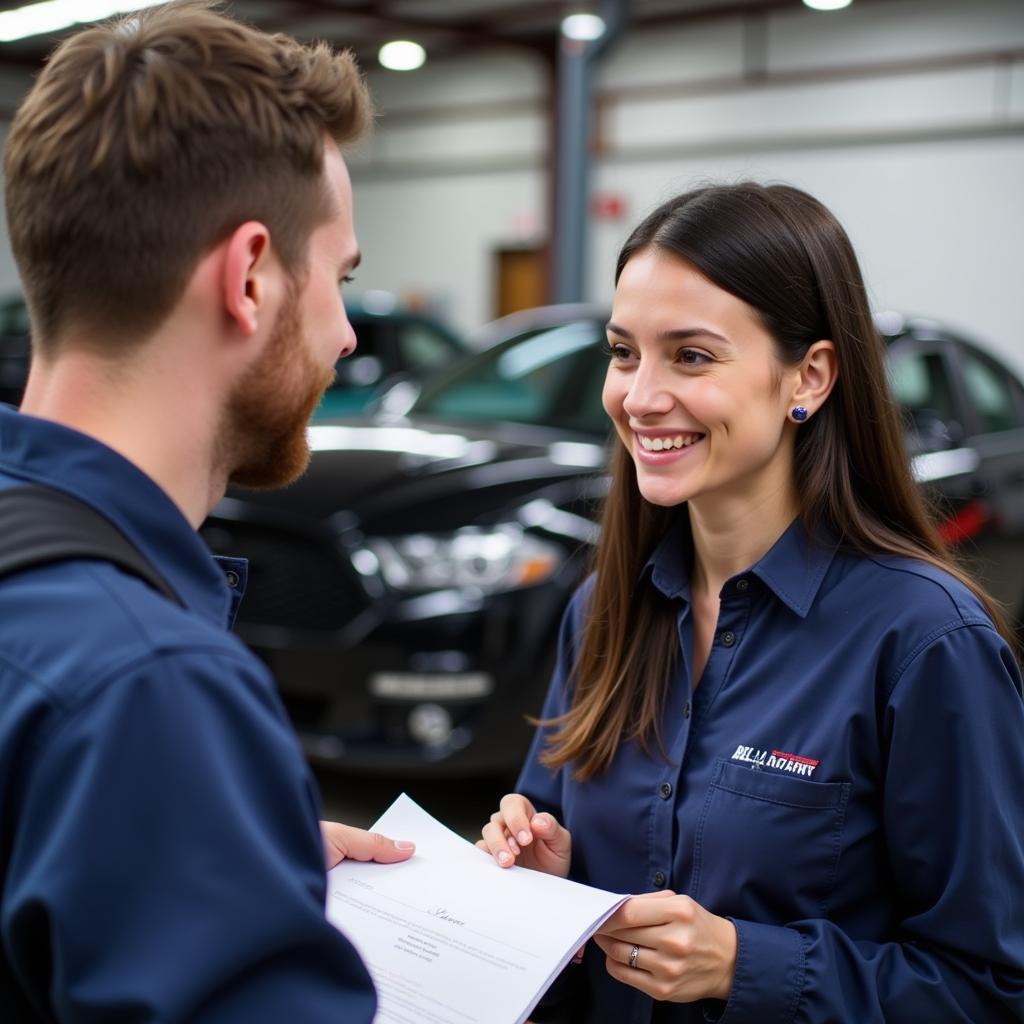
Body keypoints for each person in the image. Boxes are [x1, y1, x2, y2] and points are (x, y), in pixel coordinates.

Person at [480, 183, 1024, 1022]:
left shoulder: (924, 643)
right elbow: (563, 877)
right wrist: (551, 881)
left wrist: (748, 964)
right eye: (624, 353)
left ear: (808, 375)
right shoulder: (601, 614)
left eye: (691, 356)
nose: (640, 396)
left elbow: (987, 991)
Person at [0, 2, 415, 1020]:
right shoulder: (150, 688)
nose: (346, 337)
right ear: (249, 276)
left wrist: (210, 846)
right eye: (340, 279)